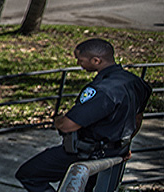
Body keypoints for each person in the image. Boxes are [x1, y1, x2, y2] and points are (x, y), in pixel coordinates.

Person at [15, 38, 151, 192]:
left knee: (29, 174)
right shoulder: (136, 83)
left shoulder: (102, 90)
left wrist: (58, 121)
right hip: (115, 152)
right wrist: (123, 145)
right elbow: (137, 119)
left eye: (80, 60)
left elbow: (68, 125)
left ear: (96, 60)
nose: (79, 64)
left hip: (88, 153)